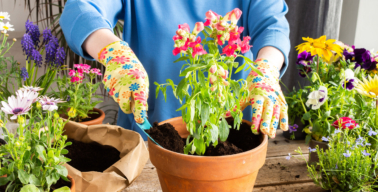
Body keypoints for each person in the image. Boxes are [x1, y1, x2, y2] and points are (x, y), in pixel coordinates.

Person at [60, 0, 290, 140]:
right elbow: (80, 9)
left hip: (235, 135)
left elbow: (272, 25)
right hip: (150, 135)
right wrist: (114, 53)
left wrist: (266, 69)